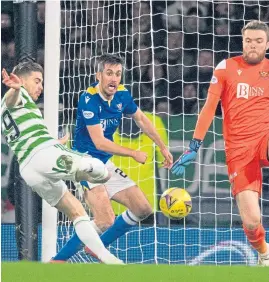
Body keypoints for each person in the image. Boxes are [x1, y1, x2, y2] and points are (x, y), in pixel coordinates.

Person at [52, 53, 173, 262]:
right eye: (109, 73)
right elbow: (99, 142)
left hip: (104, 163)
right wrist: (133, 153)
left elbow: (142, 119)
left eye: (118, 74)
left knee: (143, 208)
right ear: (98, 75)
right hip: (84, 162)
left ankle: (96, 247)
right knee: (105, 220)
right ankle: (58, 260)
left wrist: (162, 147)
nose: (114, 79)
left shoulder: (122, 95)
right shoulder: (88, 99)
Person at [1, 61, 123, 264]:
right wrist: (15, 88)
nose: (40, 87)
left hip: (30, 167)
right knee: (99, 169)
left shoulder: (6, 108)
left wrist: (53, 142)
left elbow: (25, 135)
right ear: (21, 80)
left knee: (76, 211)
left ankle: (108, 259)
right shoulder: (17, 94)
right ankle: (86, 182)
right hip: (43, 155)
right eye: (37, 81)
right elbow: (14, 98)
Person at [171, 20, 269, 266]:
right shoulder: (226, 67)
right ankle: (264, 253)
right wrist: (193, 147)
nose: (253, 46)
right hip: (238, 149)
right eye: (249, 41)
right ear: (243, 41)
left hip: (265, 138)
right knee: (251, 221)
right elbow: (208, 109)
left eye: (259, 41)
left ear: (267, 44)